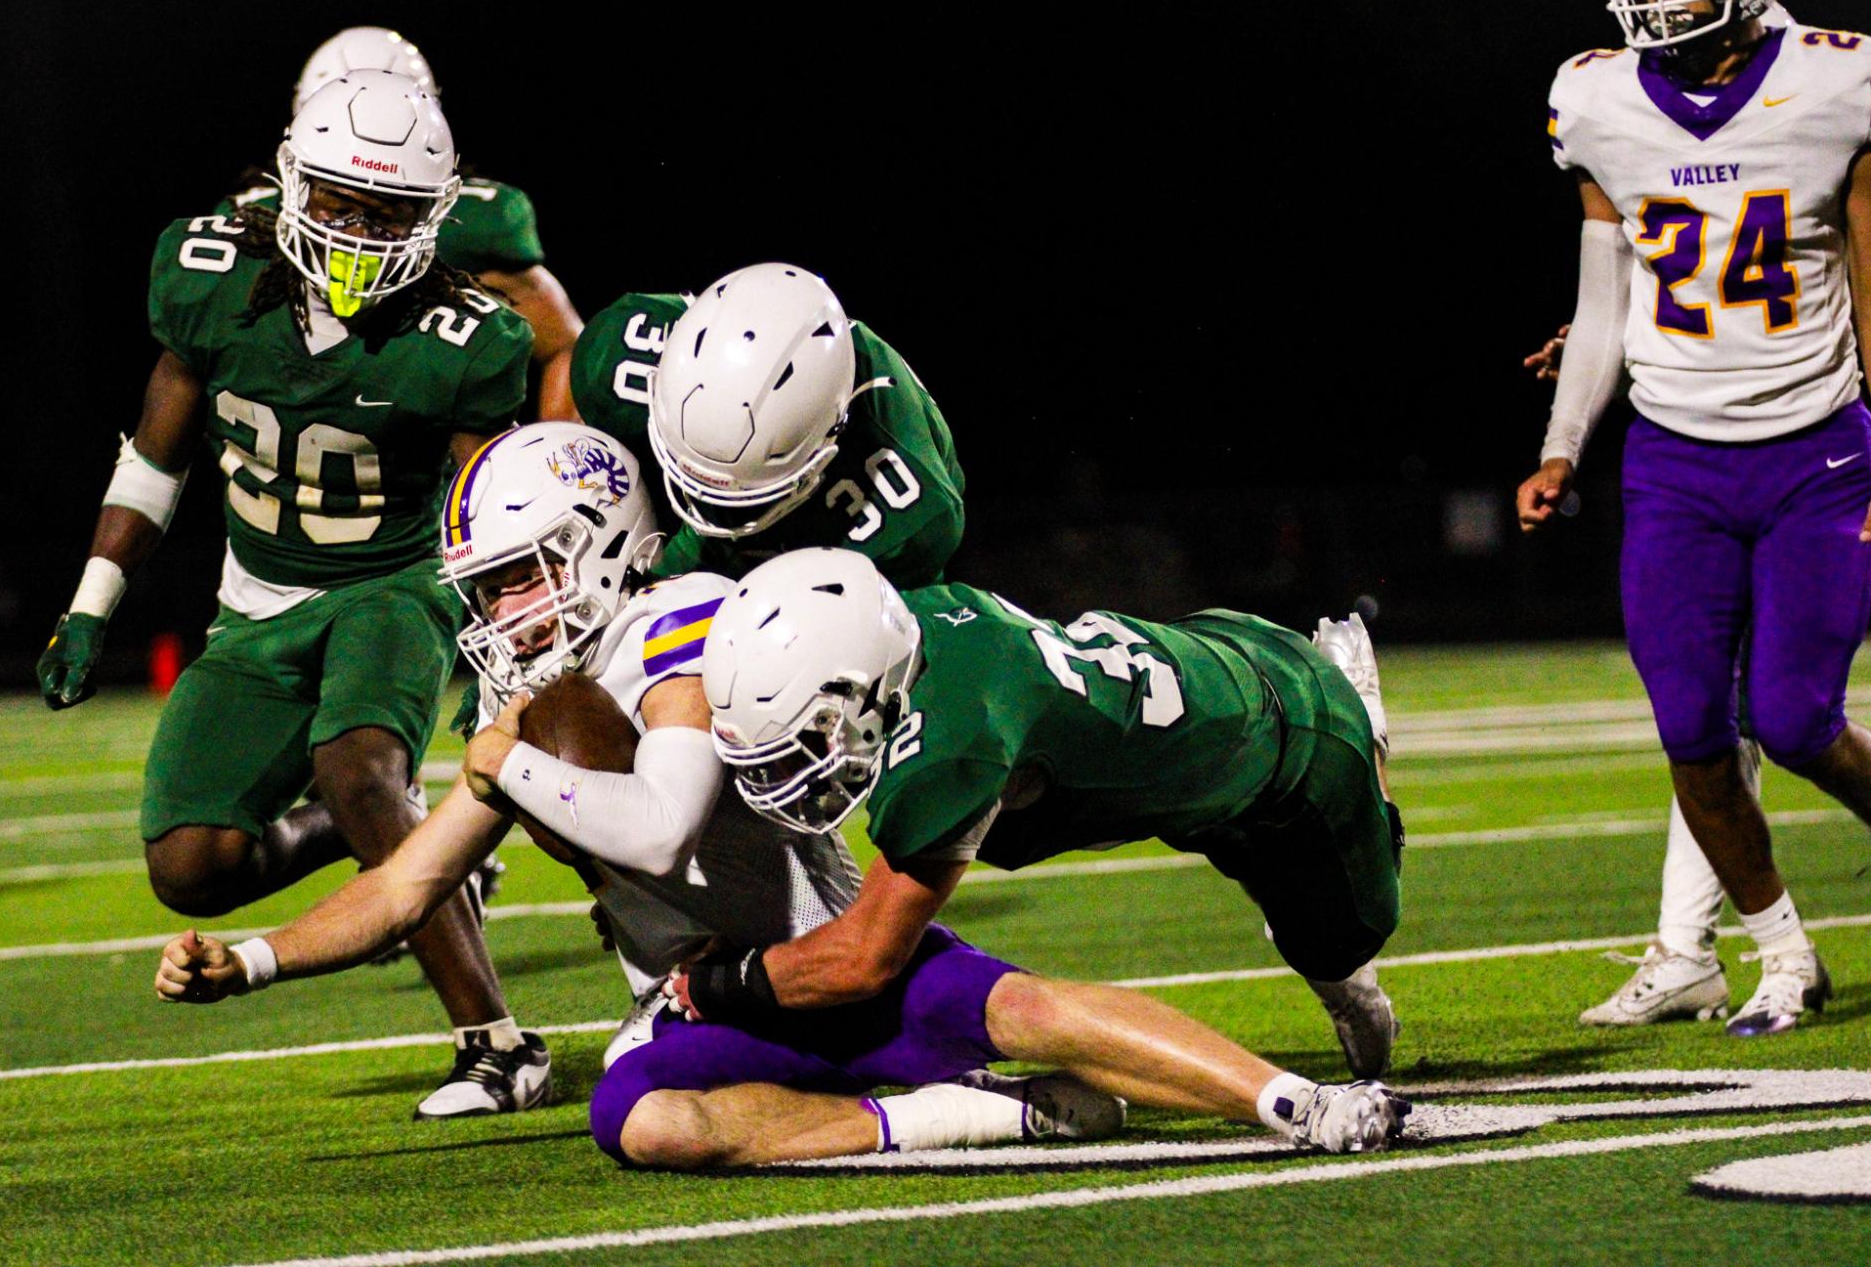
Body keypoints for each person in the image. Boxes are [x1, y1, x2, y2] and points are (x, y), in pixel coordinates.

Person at [153, 426, 1406, 1165]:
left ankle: (1297, 1099)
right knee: (645, 1126)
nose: (496, 614)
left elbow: (658, 818)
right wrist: (254, 957)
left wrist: (508, 761)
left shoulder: (684, 628)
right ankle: (962, 1119)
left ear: (596, 546)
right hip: (702, 997)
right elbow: (403, 886)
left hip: (827, 952)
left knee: (1020, 1002)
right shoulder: (523, 716)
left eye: (518, 578)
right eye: (484, 588)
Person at [40, 69, 550, 1117]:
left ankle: (498, 1042)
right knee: (190, 864)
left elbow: (483, 506)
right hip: (256, 598)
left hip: (393, 583)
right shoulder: (212, 279)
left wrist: (501, 651)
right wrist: (92, 602)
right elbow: (156, 452)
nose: (361, 235)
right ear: (291, 186)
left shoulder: (464, 337)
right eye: (341, 204)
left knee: (357, 762)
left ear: (435, 216)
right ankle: (365, 822)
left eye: (391, 213)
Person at [682, 547, 1407, 1086]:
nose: (784, 774)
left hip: (1294, 740)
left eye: (803, 743)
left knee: (1339, 943)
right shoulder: (910, 627)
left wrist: (716, 986)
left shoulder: (954, 747)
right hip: (1201, 702)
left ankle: (1361, 714)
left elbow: (863, 959)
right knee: (1222, 848)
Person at [1517, 0, 1871, 1035]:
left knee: (1797, 716)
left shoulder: (1838, 77)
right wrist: (1563, 440)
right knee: (1693, 731)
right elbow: (1609, 288)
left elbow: (1869, 272)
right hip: (1674, 459)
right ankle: (1777, 954)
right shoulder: (1595, 94)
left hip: (1814, 449)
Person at [221, 27, 582, 413]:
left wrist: (548, 451)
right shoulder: (250, 218)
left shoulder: (473, 225)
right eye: (339, 208)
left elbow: (563, 345)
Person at [552, 263, 966, 586]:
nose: (706, 507)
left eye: (738, 497)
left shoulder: (912, 518)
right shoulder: (615, 358)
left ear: (830, 440)